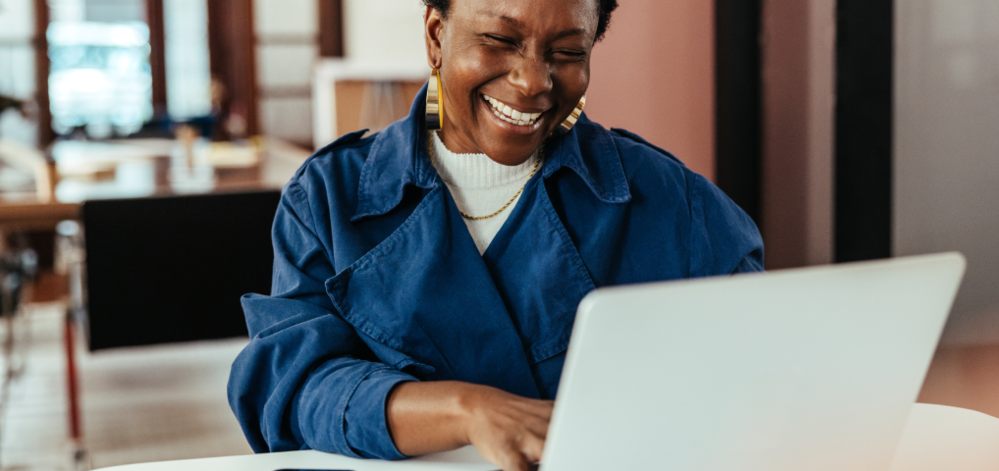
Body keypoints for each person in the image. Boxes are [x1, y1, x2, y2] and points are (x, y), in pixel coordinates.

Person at [227, 0, 763, 470]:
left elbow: (759, 366)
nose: (533, 82)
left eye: (568, 52)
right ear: (436, 34)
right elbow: (291, 386)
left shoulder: (671, 200)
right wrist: (466, 411)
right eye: (500, 41)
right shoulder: (329, 196)